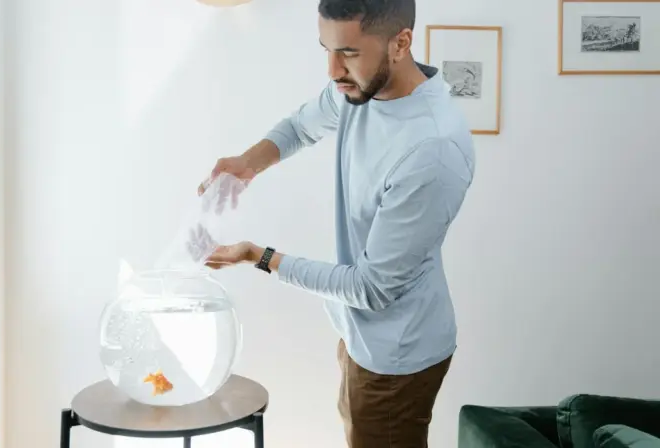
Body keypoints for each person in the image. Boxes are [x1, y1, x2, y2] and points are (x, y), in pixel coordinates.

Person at [197, 0, 476, 446]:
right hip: (360, 332)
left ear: (400, 43)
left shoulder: (431, 149)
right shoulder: (361, 88)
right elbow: (300, 128)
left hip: (395, 355)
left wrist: (258, 256)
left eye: (347, 52)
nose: (332, 70)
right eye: (326, 49)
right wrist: (246, 165)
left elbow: (372, 288)